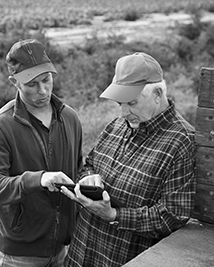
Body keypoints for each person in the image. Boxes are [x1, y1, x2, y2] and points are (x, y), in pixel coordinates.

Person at [61, 52, 196, 267]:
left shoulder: (182, 142)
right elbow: (89, 165)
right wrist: (89, 178)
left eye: (131, 103)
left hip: (122, 259)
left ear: (158, 94)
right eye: (120, 103)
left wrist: (114, 215)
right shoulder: (116, 126)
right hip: (81, 255)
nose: (123, 112)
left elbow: (173, 215)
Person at [0, 39, 83, 267]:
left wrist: (87, 181)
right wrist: (38, 179)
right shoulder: (0, 127)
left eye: (46, 80)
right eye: (32, 84)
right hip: (17, 256)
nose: (43, 90)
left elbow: (78, 167)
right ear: (14, 82)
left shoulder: (70, 118)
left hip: (62, 248)